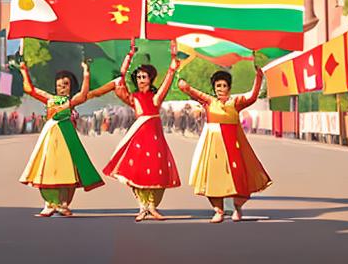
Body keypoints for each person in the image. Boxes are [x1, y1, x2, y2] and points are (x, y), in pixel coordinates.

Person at [17, 60, 112, 217]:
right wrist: (23, 70)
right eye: (59, 85)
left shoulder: (70, 101)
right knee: (47, 169)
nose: (61, 88)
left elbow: (83, 94)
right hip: (49, 138)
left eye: (65, 84)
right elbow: (30, 89)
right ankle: (49, 203)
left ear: (70, 86)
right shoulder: (49, 99)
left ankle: (63, 204)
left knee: (68, 171)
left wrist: (86, 72)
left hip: (67, 139)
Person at [178, 67, 272, 223]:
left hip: (233, 146)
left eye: (224, 86)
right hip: (214, 146)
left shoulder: (235, 103)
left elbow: (253, 96)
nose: (221, 89)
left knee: (239, 177)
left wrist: (258, 77)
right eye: (218, 86)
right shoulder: (208, 101)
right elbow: (190, 91)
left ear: (229, 87)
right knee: (213, 178)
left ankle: (238, 207)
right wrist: (181, 80)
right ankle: (218, 210)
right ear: (214, 88)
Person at [102, 40, 182, 221]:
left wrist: (173, 61)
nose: (141, 80)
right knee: (136, 172)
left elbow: (168, 80)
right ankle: (142, 206)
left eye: (144, 77)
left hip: (155, 138)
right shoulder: (133, 98)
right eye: (138, 77)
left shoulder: (155, 98)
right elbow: (120, 79)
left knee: (156, 170)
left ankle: (152, 206)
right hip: (138, 138)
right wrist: (129, 56)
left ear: (151, 79)